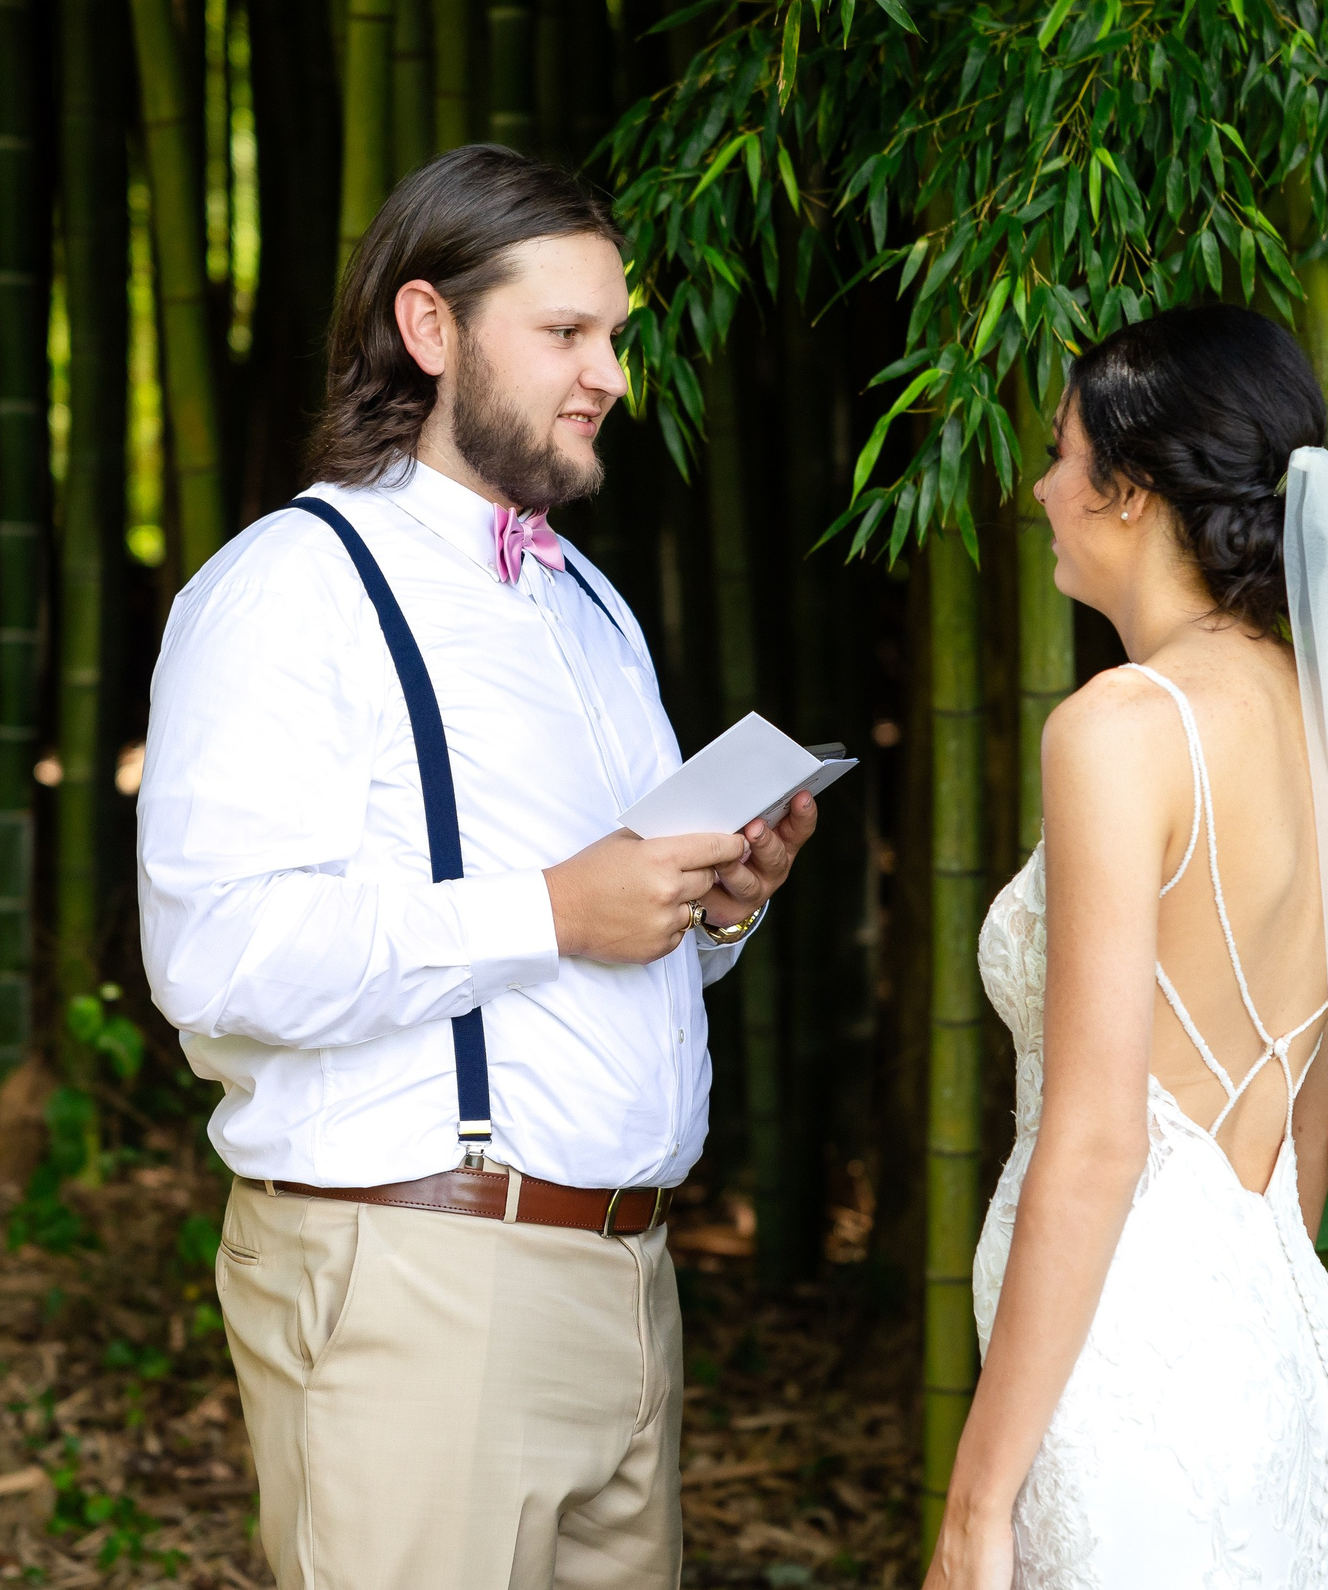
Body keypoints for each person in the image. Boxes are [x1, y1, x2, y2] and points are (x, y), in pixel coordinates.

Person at [135, 144, 818, 1590]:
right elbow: (220, 959)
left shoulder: (591, 606)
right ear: (430, 327)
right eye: (567, 331)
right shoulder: (291, 585)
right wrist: (555, 905)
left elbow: (593, 943)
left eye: (615, 336)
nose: (611, 374)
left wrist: (713, 909)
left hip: (629, 1285)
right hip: (421, 1286)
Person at [923, 305, 1328, 1590]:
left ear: (1131, 491)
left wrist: (973, 1509)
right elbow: (1314, 1125)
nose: (1041, 488)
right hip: (1285, 1360)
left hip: (1124, 1373)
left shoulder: (1121, 730)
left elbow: (1098, 1138)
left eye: (1060, 455)